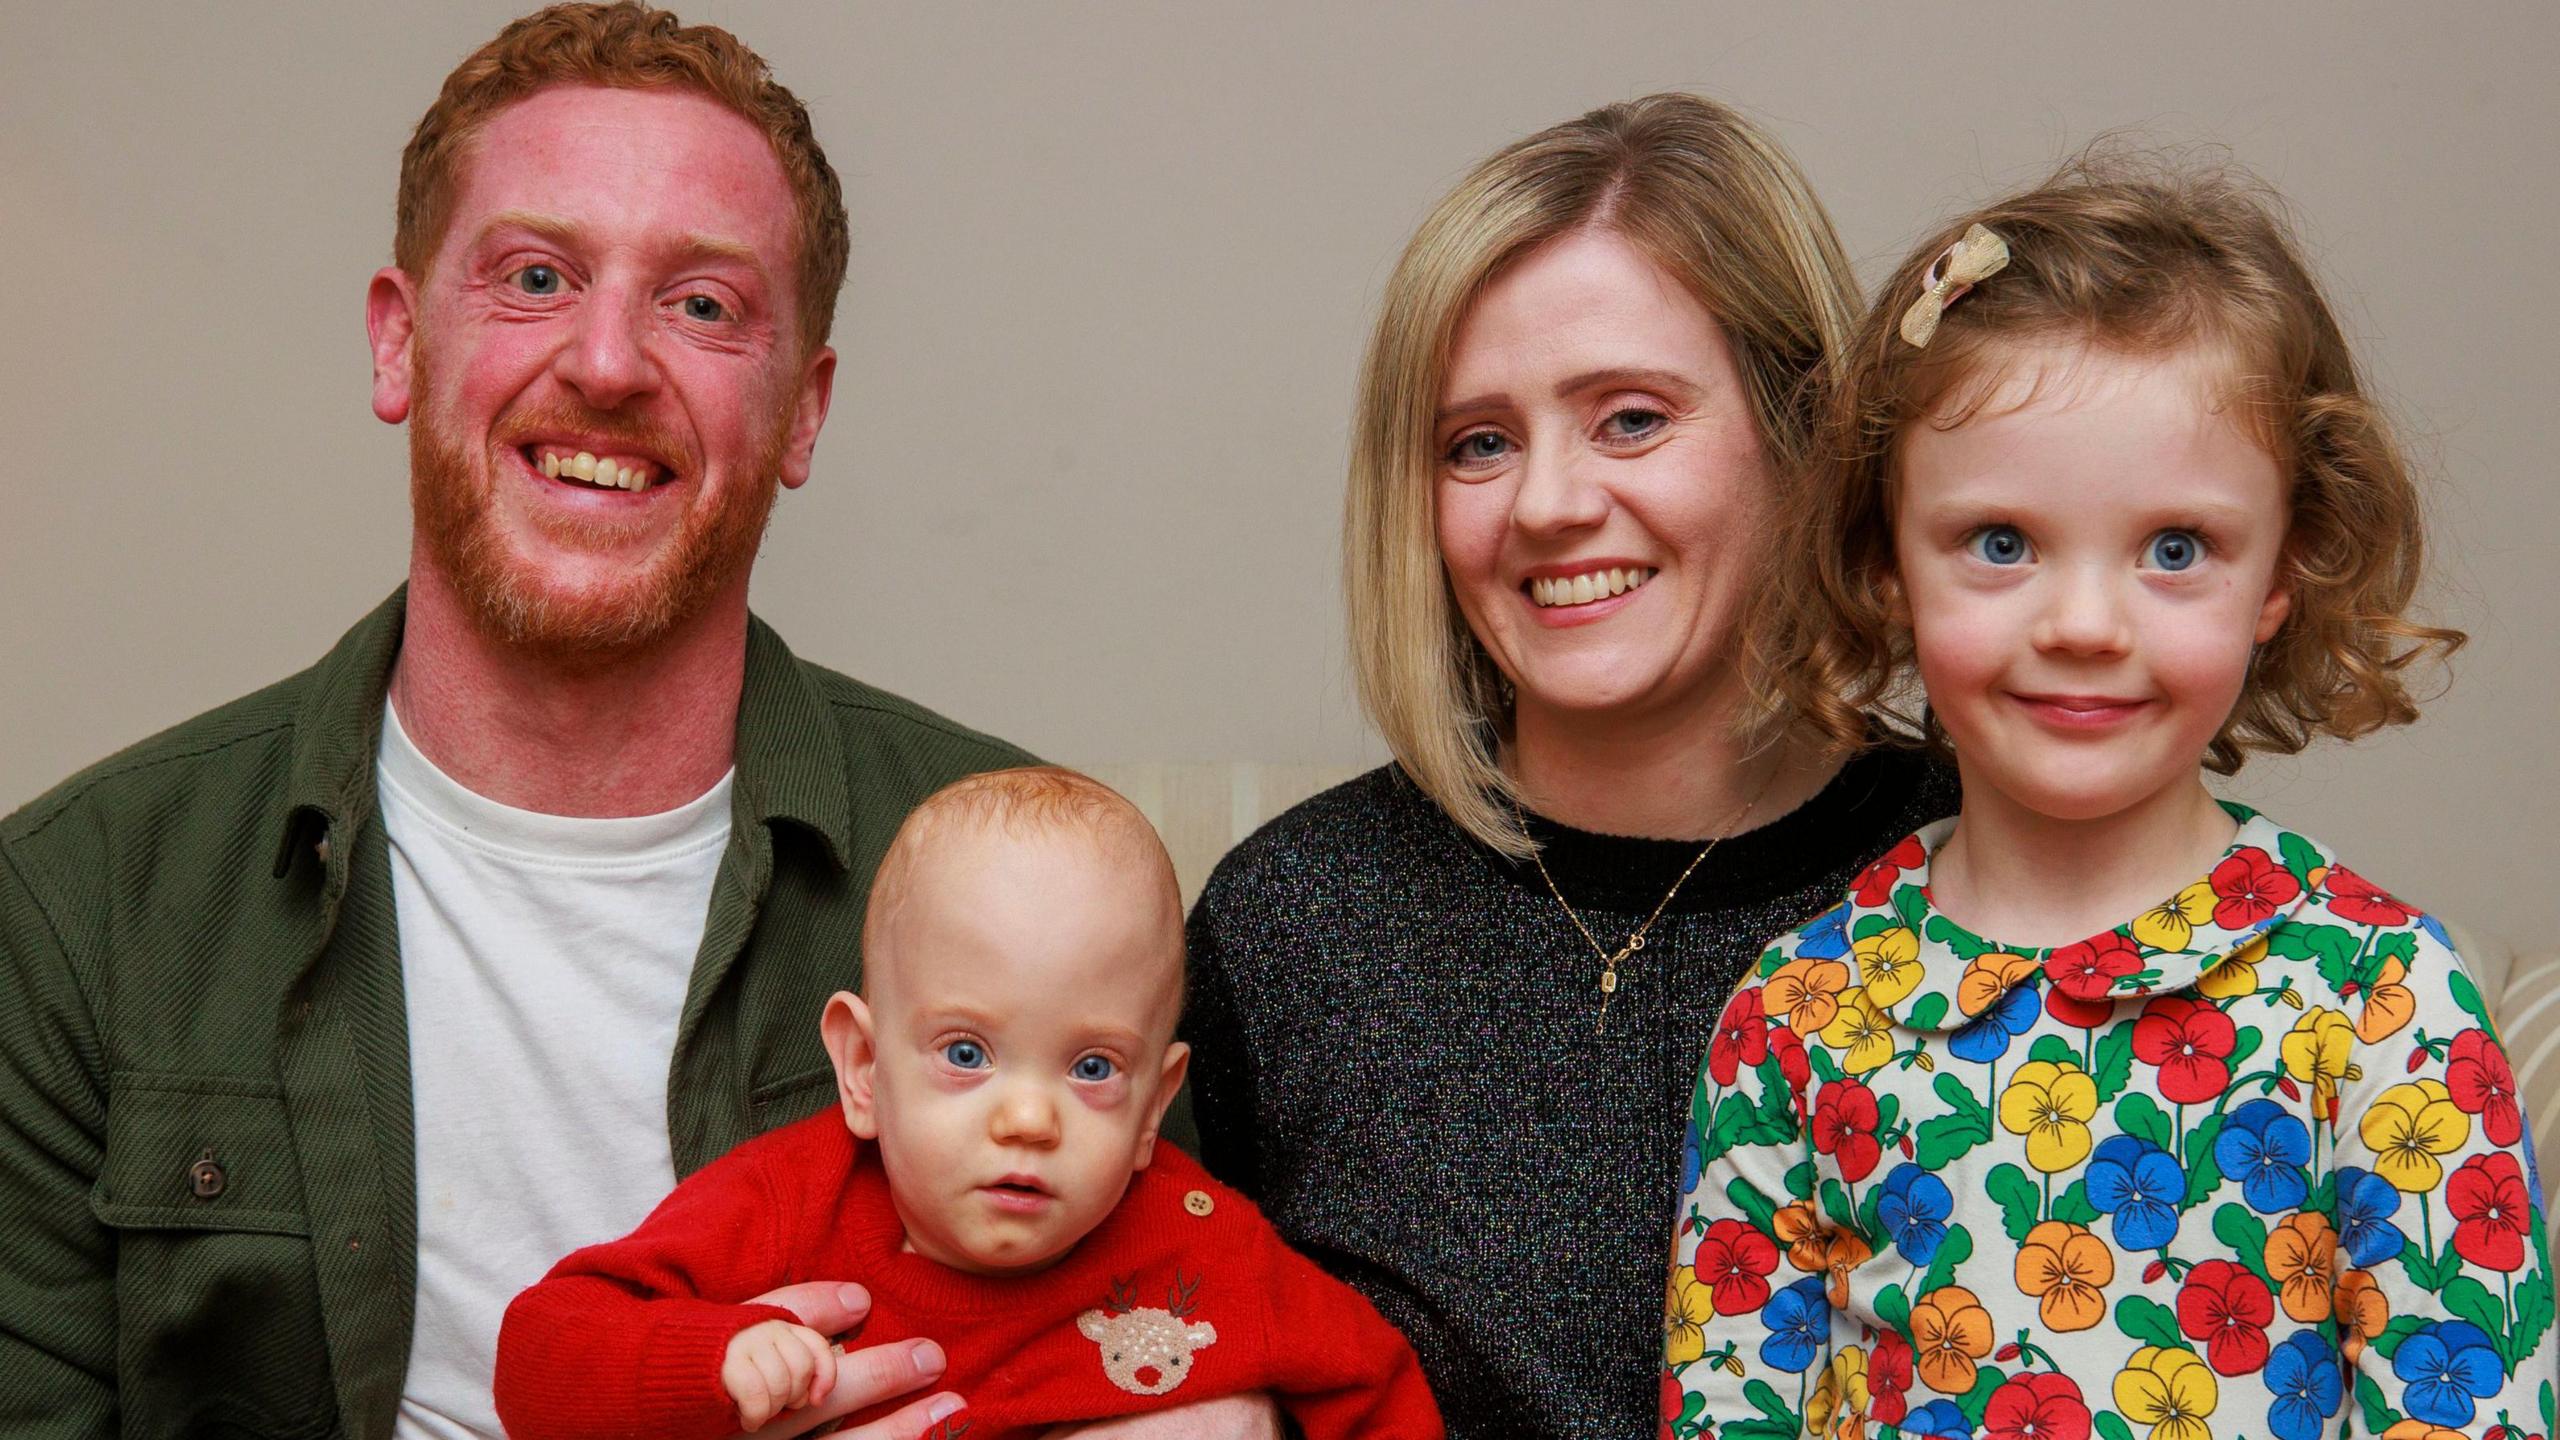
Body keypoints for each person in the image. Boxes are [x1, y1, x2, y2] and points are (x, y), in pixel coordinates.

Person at [0, 7, 1269, 1439]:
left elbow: (1200, 1364)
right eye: (536, 276)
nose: (607, 363)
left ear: (802, 411)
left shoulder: (1048, 890)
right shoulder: (76, 915)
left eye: (704, 304)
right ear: (399, 344)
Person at [1666, 155, 2553, 1440]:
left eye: (2175, 550)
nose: (2083, 624)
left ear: (2282, 573)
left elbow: (2466, 1409)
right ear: (1883, 563)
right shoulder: (1797, 1012)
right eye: (2000, 543)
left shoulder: (2379, 999)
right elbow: (1727, 1408)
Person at [1179, 94, 1960, 1439]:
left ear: (1808, 433)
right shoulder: (1293, 922)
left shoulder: (1997, 877)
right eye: (1478, 442)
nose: (1546, 503)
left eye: (1631, 418)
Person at [494, 767, 1442, 1439]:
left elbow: (1379, 1387)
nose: (1029, 1119)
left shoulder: (1205, 1248)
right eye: (965, 1052)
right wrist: (715, 1361)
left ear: (1156, 1106)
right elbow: (537, 1359)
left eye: (1093, 1068)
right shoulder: (792, 1198)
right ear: (863, 1066)